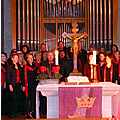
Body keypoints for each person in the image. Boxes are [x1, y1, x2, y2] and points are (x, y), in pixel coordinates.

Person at [6, 52, 21, 119]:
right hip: (12, 84)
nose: (17, 59)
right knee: (13, 99)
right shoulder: (10, 66)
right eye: (16, 58)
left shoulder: (18, 66)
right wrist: (10, 85)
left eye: (17, 58)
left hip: (18, 84)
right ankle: (11, 113)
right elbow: (8, 76)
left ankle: (15, 112)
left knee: (17, 98)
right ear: (12, 59)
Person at [23, 54, 38, 119]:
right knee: (27, 99)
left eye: (32, 57)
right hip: (27, 85)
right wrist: (23, 85)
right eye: (29, 58)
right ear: (27, 59)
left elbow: (37, 76)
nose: (31, 59)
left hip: (34, 85)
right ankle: (27, 112)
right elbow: (22, 77)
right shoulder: (25, 67)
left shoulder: (35, 67)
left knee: (33, 98)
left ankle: (32, 111)